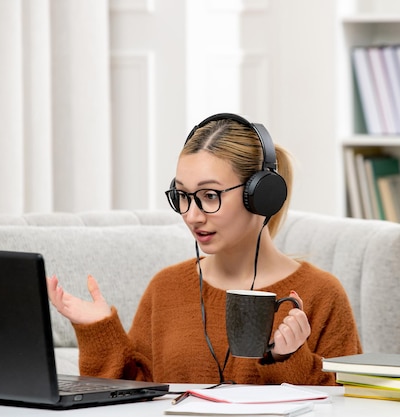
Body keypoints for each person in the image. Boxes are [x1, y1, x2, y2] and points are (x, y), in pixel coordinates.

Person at [47, 113, 362, 386]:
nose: (191, 215)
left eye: (210, 195)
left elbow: (352, 404)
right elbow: (133, 398)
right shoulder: (165, 288)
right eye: (182, 195)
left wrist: (290, 358)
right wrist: (100, 331)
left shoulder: (321, 295)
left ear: (261, 195)